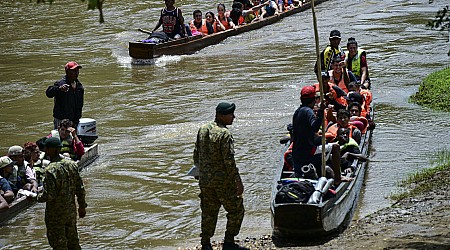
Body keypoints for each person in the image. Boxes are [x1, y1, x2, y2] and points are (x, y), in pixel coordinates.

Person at [193, 102, 248, 250]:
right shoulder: (225, 134)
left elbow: (196, 155)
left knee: (208, 211)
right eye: (231, 114)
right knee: (236, 210)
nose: (234, 117)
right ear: (221, 116)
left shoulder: (203, 129)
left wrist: (201, 174)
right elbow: (229, 161)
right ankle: (229, 242)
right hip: (223, 182)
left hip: (205, 181)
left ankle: (205, 244)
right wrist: (238, 181)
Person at [33, 137, 87, 250]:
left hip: (55, 215)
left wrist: (35, 197)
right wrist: (82, 206)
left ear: (51, 150)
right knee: (73, 242)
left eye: (47, 149)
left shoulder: (50, 170)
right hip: (70, 211)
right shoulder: (72, 164)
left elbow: (49, 195)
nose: (46, 152)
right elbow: (80, 188)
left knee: (58, 244)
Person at [292, 86, 342, 185]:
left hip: (297, 151)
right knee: (335, 147)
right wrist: (321, 111)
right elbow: (315, 127)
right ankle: (338, 179)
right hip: (308, 152)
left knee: (325, 145)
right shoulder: (308, 111)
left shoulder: (297, 112)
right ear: (314, 100)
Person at [46, 61, 84, 130]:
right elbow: (48, 93)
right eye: (74, 71)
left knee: (72, 139)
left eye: (77, 71)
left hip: (73, 120)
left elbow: (80, 105)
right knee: (60, 139)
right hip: (61, 120)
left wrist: (76, 121)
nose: (76, 73)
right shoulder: (60, 83)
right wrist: (59, 89)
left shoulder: (79, 87)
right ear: (67, 72)